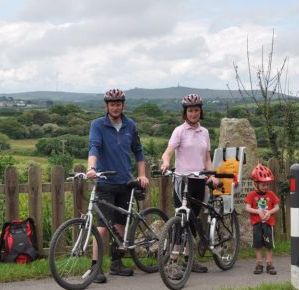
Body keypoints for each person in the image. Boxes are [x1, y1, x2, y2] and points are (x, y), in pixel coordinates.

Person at [87, 88, 149, 283]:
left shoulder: (130, 125)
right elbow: (94, 147)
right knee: (102, 227)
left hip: (125, 183)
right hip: (105, 183)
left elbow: (138, 152)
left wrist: (141, 175)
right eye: (112, 104)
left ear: (123, 105)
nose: (115, 107)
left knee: (120, 225)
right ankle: (95, 268)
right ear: (106, 106)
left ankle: (116, 263)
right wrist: (91, 167)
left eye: (118, 104)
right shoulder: (98, 125)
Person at [160, 93, 217, 274]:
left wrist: (211, 174)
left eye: (196, 110)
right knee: (180, 221)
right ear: (185, 113)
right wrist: (166, 162)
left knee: (192, 222)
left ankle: (188, 260)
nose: (193, 114)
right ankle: (173, 261)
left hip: (199, 180)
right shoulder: (179, 131)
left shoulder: (205, 132)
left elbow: (207, 158)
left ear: (201, 112)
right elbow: (168, 151)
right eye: (190, 111)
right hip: (182, 181)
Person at [244, 164, 280, 275]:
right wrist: (258, 212)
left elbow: (277, 207)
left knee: (269, 245)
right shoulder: (251, 195)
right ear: (256, 184)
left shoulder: (271, 194)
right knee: (258, 244)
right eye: (263, 184)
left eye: (267, 184)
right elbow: (247, 207)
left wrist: (269, 212)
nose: (265, 186)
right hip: (257, 224)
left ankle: (269, 264)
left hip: (268, 224)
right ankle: (259, 264)